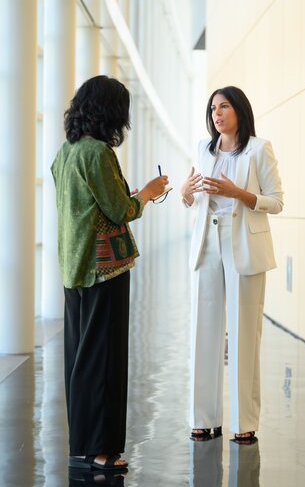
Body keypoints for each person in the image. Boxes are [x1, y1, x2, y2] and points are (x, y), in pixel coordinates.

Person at [51, 75, 168, 470]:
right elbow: (120, 211)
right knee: (105, 359)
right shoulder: (98, 153)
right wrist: (148, 193)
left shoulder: (64, 153)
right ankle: (102, 452)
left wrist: (126, 194)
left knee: (80, 359)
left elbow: (88, 206)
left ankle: (83, 444)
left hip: (74, 266)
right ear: (112, 112)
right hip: (104, 268)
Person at [181, 86, 283, 444]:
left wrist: (237, 192)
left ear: (239, 110)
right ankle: (203, 417)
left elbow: (276, 201)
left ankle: (245, 421)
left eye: (224, 107)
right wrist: (184, 192)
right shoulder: (202, 149)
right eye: (212, 109)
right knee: (203, 331)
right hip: (206, 242)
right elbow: (193, 199)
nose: (217, 114)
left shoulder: (258, 149)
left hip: (243, 243)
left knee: (244, 333)